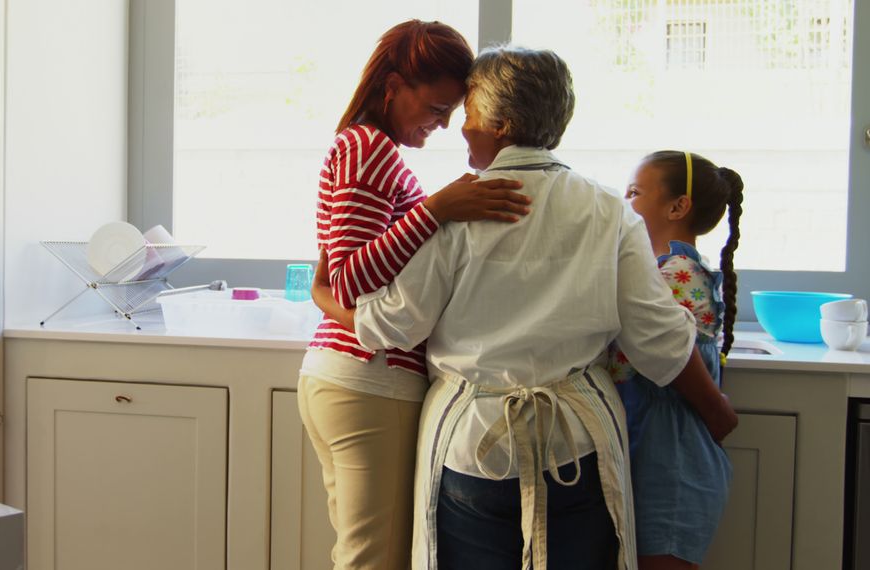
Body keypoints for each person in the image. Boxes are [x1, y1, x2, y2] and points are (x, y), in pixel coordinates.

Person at [311, 45, 738, 570]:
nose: (460, 129)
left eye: (468, 115)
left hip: (471, 449)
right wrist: (717, 408)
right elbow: (659, 341)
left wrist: (328, 300)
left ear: (499, 124)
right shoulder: (609, 211)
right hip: (578, 446)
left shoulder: (461, 207)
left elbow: (394, 326)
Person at [297, 20, 532, 570]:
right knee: (375, 559)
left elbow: (337, 278)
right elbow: (353, 280)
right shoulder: (367, 148)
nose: (444, 124)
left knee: (364, 554)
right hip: (370, 378)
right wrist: (436, 211)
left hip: (353, 377)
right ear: (394, 84)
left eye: (453, 113)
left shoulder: (365, 149)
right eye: (435, 108)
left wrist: (324, 291)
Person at [608, 151, 744, 570]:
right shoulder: (658, 270)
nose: (623, 202)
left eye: (634, 192)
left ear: (678, 206)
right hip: (651, 456)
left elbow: (664, 354)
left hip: (671, 466)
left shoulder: (676, 274)